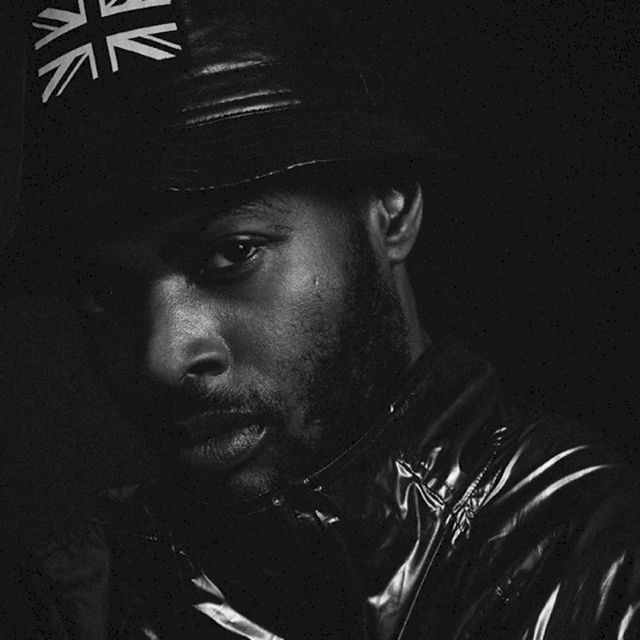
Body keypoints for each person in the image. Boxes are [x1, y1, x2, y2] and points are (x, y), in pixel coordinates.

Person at [3, 0, 640, 638]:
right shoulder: (81, 602)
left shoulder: (594, 569)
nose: (164, 357)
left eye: (232, 254)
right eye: (105, 294)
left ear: (391, 208)